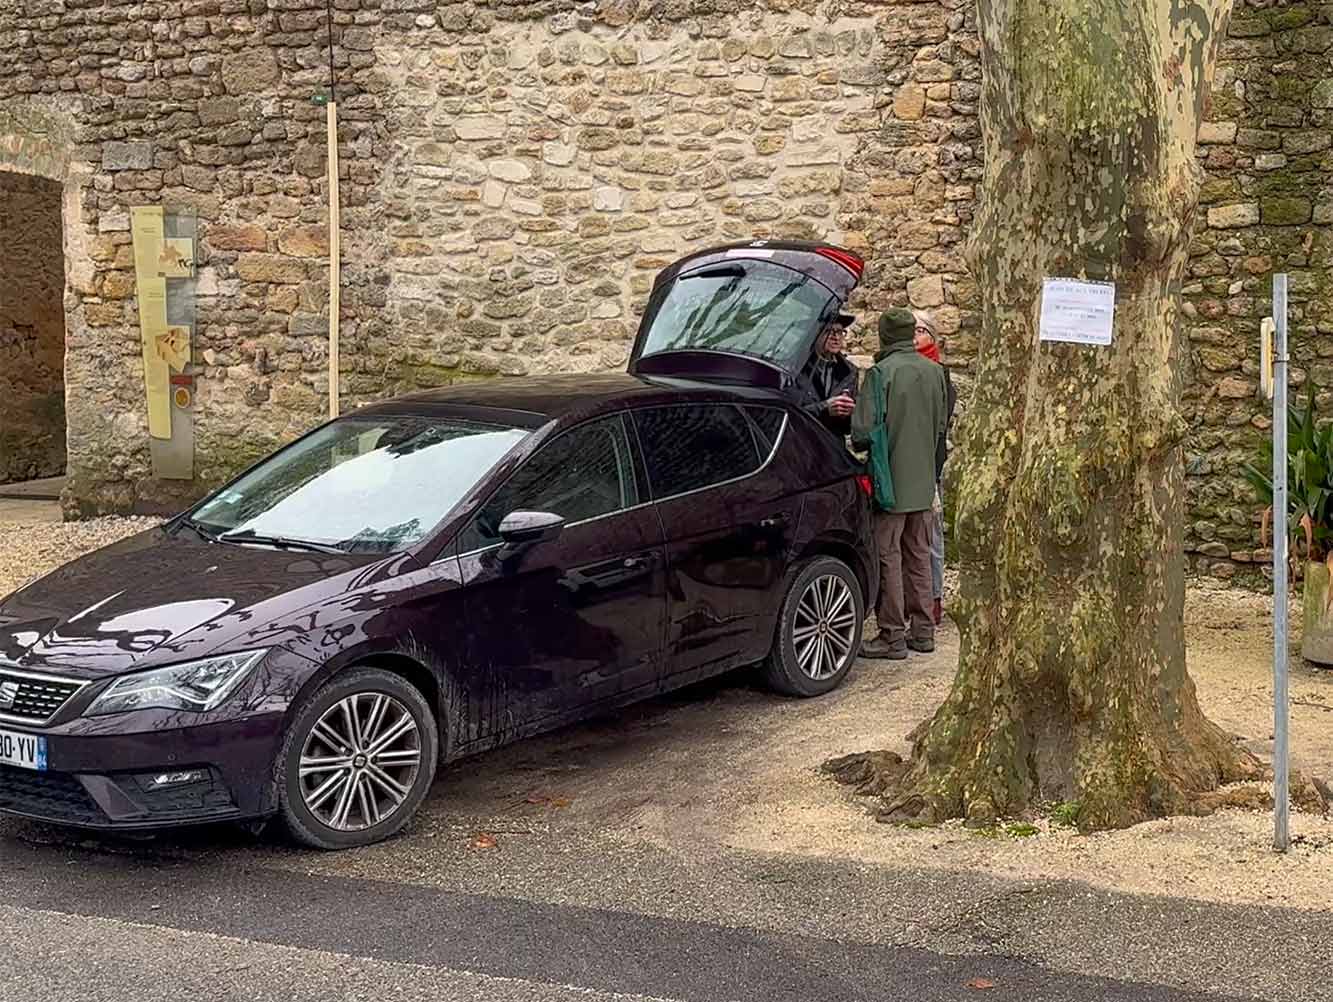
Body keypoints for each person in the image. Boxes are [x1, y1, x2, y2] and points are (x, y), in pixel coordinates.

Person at [852, 307, 948, 660]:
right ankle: (923, 631)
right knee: (919, 555)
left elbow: (863, 432)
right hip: (923, 480)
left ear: (883, 336)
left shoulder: (880, 373)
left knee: (888, 557)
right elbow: (940, 426)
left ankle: (892, 634)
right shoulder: (936, 372)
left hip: (889, 481)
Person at [913, 312, 957, 626]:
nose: (915, 336)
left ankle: (933, 600)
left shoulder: (940, 375)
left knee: (931, 535)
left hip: (930, 462)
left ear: (932, 336)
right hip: (907, 461)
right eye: (911, 330)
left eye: (920, 330)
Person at [797, 314, 860, 437]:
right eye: (829, 331)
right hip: (803, 444)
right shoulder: (798, 368)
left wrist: (851, 413)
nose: (836, 337)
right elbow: (791, 414)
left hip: (831, 447)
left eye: (840, 332)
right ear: (815, 334)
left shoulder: (850, 372)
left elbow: (848, 428)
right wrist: (825, 409)